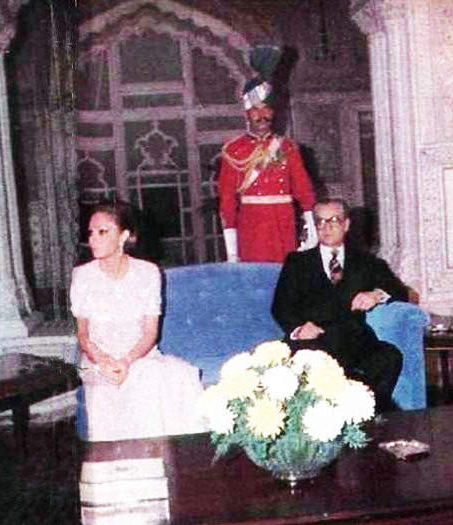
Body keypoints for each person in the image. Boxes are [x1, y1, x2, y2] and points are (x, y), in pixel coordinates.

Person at [70, 201, 206, 441]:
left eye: (103, 232)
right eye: (91, 233)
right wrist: (104, 361)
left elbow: (150, 333)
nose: (93, 239)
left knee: (160, 377)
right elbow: (83, 335)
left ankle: (159, 456)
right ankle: (115, 459)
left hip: (140, 357)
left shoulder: (148, 272)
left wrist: (126, 361)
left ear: (124, 236)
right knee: (112, 384)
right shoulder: (82, 275)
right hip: (95, 361)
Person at [271, 198, 408, 411]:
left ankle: (366, 413)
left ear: (346, 224)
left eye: (333, 220)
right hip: (313, 340)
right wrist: (298, 329)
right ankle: (343, 410)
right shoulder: (297, 262)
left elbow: (400, 291)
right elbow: (280, 306)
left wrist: (376, 294)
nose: (326, 227)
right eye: (320, 221)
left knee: (390, 357)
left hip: (354, 339)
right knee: (318, 364)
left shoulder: (367, 262)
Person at [217, 45, 317, 263]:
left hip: (283, 225)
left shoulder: (287, 148)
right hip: (251, 229)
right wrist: (232, 252)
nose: (262, 114)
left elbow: (305, 193)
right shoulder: (233, 150)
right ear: (246, 113)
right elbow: (227, 203)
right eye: (255, 109)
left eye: (267, 108)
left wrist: (312, 235)